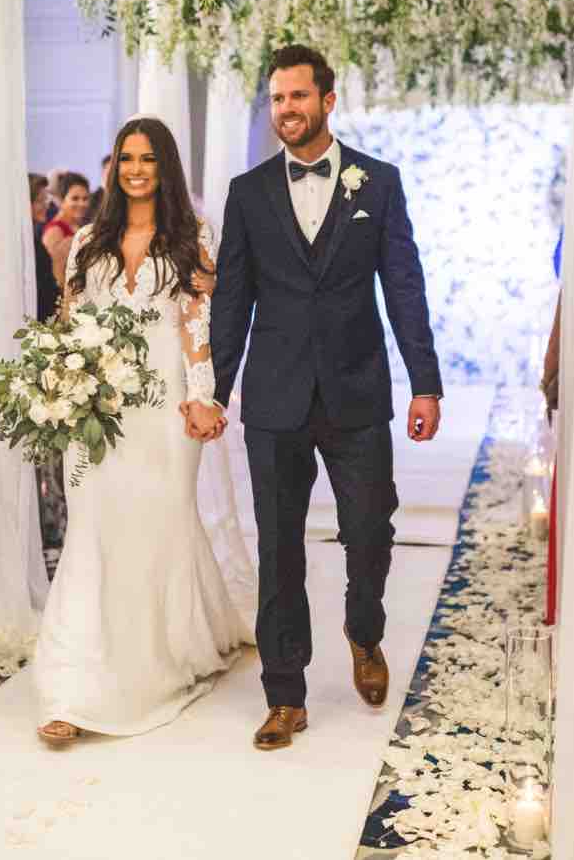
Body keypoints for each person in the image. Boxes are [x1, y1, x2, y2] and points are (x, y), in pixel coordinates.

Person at [210, 44, 443, 750]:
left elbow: (404, 286)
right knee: (279, 547)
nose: (287, 109)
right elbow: (231, 299)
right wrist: (212, 390)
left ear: (328, 100)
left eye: (298, 97)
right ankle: (286, 694)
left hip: (357, 387)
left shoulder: (378, 183)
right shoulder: (248, 193)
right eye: (277, 99)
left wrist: (424, 379)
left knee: (370, 528)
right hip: (276, 396)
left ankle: (363, 628)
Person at [33, 115, 254, 745]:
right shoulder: (85, 243)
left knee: (158, 529)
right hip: (96, 412)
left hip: (164, 412)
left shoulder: (192, 236)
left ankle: (160, 656)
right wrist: (57, 391)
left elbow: (195, 325)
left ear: (165, 167)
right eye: (126, 157)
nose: (134, 168)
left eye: (148, 158)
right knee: (93, 536)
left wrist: (202, 396)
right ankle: (72, 687)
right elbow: (69, 324)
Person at [42, 172, 90, 289]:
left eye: (85, 199)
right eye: (75, 198)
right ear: (61, 200)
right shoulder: (55, 230)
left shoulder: (80, 227)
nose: (82, 203)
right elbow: (54, 277)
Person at [29, 174, 59, 321]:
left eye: (45, 199)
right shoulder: (28, 243)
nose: (46, 205)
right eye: (40, 201)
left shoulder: (32, 239)